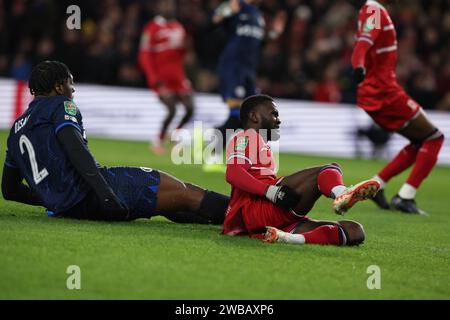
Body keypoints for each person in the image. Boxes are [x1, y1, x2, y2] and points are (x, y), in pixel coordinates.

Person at [1, 60, 228, 225]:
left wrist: (52, 200)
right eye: (70, 83)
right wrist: (107, 195)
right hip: (95, 194)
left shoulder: (15, 130)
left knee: (169, 201)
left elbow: (9, 190)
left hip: (69, 208)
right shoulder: (61, 104)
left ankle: (216, 221)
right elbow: (76, 151)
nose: (74, 89)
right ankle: (252, 214)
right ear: (59, 87)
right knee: (187, 192)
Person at [223, 95, 381, 246]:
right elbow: (233, 173)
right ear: (254, 116)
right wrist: (271, 192)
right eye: (274, 114)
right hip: (259, 208)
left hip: (269, 219)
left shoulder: (260, 143)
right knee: (329, 169)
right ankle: (341, 194)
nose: (279, 120)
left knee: (354, 231)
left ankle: (289, 238)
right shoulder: (247, 137)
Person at [351, 0, 444, 215]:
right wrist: (357, 67)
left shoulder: (367, 11)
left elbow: (364, 44)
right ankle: (405, 197)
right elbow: (363, 44)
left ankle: (377, 184)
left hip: (373, 93)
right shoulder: (373, 9)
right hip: (384, 93)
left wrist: (360, 68)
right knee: (434, 138)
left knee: (418, 141)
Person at [204, 0, 286, 171]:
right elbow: (210, 24)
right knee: (236, 114)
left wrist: (273, 34)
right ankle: (212, 154)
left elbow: (257, 44)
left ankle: (245, 156)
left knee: (251, 117)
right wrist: (225, 12)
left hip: (249, 71)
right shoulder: (235, 6)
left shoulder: (258, 16)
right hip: (233, 67)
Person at [138, 0, 194, 155]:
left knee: (190, 108)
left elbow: (181, 54)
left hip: (178, 76)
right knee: (172, 109)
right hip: (161, 77)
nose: (168, 7)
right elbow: (144, 55)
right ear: (158, 7)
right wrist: (152, 76)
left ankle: (175, 134)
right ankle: (158, 140)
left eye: (171, 5)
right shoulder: (152, 27)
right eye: (165, 5)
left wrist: (186, 50)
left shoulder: (179, 27)